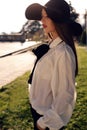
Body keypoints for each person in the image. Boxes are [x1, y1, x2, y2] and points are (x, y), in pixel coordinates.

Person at [25, 0, 82, 130]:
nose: (42, 20)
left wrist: (44, 123)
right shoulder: (51, 48)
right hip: (38, 114)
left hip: (46, 122)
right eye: (42, 16)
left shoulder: (63, 53)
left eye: (46, 16)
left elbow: (65, 96)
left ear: (57, 19)